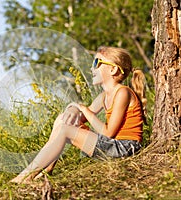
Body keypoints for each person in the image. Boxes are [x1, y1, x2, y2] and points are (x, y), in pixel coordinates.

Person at [10, 46, 147, 183]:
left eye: (96, 63)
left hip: (125, 147)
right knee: (62, 120)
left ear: (113, 69)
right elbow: (80, 117)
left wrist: (83, 109)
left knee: (65, 130)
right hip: (111, 146)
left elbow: (108, 133)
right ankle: (47, 169)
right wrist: (73, 110)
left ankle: (25, 177)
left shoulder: (123, 92)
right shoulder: (104, 96)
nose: (91, 69)